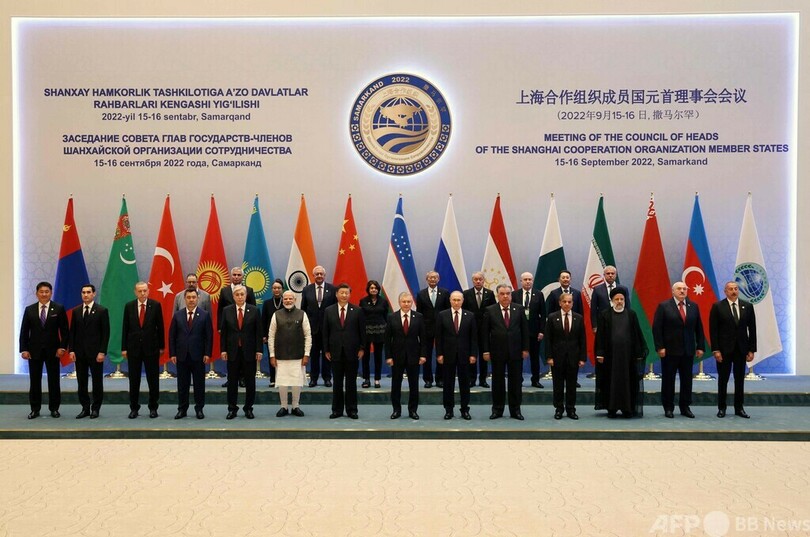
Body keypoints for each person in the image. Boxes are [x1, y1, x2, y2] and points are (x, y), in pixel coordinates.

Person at [652, 281, 705, 419]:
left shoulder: (693, 306)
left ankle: (685, 407)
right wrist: (659, 347)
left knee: (687, 380)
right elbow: (657, 328)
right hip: (669, 351)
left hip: (688, 350)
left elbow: (699, 328)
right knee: (668, 380)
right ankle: (668, 407)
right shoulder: (664, 306)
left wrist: (700, 346)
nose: (682, 291)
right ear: (673, 291)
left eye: (684, 289)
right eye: (679, 289)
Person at [19, 281, 69, 419]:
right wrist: (24, 349)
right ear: (37, 293)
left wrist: (62, 347)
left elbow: (65, 331)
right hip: (34, 351)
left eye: (47, 292)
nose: (44, 294)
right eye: (41, 292)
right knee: (35, 381)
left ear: (51, 293)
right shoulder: (29, 309)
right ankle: (35, 409)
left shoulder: (58, 308)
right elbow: (24, 331)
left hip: (53, 351)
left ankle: (54, 408)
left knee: (54, 381)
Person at [595, 288, 647, 418]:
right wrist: (600, 353)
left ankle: (627, 408)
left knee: (628, 381)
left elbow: (637, 334)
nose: (619, 301)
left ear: (625, 300)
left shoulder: (631, 314)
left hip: (628, 357)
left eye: (622, 299)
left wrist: (639, 353)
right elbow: (600, 336)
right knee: (610, 381)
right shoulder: (605, 315)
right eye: (617, 299)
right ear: (612, 300)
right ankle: (611, 408)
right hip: (610, 356)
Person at [710, 281, 757, 419]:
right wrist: (716, 350)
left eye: (736, 288)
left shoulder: (747, 306)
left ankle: (739, 408)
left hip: (741, 350)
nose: (734, 291)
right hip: (723, 350)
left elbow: (752, 329)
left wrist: (752, 349)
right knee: (723, 380)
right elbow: (713, 330)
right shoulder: (718, 307)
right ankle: (722, 408)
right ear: (725, 291)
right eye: (730, 289)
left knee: (739, 380)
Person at [482, 284, 529, 420]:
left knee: (515, 382)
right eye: (502, 294)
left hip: (516, 351)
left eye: (508, 293)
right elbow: (484, 333)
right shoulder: (490, 310)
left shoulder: (519, 309)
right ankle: (497, 410)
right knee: (497, 382)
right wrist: (486, 351)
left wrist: (525, 348)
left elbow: (525, 330)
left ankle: (516, 410)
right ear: (497, 295)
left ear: (511, 295)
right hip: (497, 352)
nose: (505, 296)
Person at [121, 281, 164, 419]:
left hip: (151, 349)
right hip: (133, 349)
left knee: (153, 380)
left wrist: (161, 346)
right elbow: (125, 328)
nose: (142, 293)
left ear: (148, 291)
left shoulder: (155, 305)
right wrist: (124, 348)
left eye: (145, 290)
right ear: (135, 292)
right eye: (140, 291)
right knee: (134, 380)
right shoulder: (129, 306)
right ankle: (134, 408)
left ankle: (153, 407)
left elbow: (160, 327)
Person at [220, 285, 263, 419]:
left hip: (249, 351)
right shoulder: (227, 311)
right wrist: (223, 350)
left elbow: (258, 332)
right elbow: (224, 333)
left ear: (246, 296)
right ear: (233, 297)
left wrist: (259, 350)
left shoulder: (254, 310)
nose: (239, 297)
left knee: (250, 382)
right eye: (237, 295)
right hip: (232, 351)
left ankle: (248, 408)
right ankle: (232, 409)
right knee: (232, 382)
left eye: (242, 294)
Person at [169, 289, 213, 419]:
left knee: (199, 384)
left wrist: (207, 353)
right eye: (188, 297)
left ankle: (199, 409)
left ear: (198, 298)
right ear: (185, 298)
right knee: (182, 385)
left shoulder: (204, 315)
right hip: (182, 355)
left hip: (198, 356)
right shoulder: (178, 315)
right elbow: (172, 336)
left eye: (194, 297)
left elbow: (209, 336)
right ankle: (182, 409)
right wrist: (173, 353)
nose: (191, 300)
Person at [323, 283, 365, 419]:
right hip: (335, 352)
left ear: (350, 295)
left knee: (351, 382)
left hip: (352, 352)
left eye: (346, 293)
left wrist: (362, 348)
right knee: (337, 383)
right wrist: (326, 349)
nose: (344, 295)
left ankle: (352, 410)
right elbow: (325, 332)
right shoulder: (328, 311)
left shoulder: (357, 311)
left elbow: (362, 332)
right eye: (341, 293)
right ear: (336, 294)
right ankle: (337, 410)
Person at [68, 284, 110, 419]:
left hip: (96, 353)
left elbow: (105, 333)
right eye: (83, 292)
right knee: (82, 382)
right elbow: (72, 332)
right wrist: (71, 350)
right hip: (79, 353)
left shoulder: (102, 311)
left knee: (97, 382)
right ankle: (85, 408)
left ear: (94, 294)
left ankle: (95, 408)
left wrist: (102, 351)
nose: (85, 295)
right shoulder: (76, 311)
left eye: (88, 292)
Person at [436, 290, 478, 420]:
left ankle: (465, 409)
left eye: (458, 300)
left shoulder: (470, 315)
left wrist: (473, 354)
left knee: (464, 384)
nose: (456, 302)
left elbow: (473, 337)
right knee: (448, 384)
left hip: (465, 355)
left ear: (462, 301)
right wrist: (439, 354)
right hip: (447, 355)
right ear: (450, 300)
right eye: (454, 300)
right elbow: (439, 337)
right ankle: (449, 410)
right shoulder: (442, 315)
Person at [384, 292, 427, 420]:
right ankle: (396, 410)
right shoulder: (392, 317)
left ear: (412, 302)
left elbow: (423, 338)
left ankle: (413, 410)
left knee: (414, 385)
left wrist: (423, 355)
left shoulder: (419, 317)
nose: (406, 304)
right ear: (399, 302)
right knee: (396, 385)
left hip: (414, 356)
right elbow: (387, 339)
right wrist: (388, 356)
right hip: (397, 356)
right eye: (404, 302)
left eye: (409, 302)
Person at [268, 290, 311, 417]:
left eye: (290, 298)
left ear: (295, 300)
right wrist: (272, 355)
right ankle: (284, 406)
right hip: (280, 355)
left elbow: (308, 335)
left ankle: (295, 406)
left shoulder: (302, 314)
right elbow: (271, 336)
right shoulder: (276, 315)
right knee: (282, 382)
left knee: (297, 382)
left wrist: (306, 354)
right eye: (285, 299)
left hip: (298, 355)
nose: (288, 301)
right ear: (283, 300)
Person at [545, 293, 586, 419]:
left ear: (573, 303)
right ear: (560, 303)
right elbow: (548, 339)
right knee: (557, 385)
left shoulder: (578, 318)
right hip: (557, 357)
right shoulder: (552, 317)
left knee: (571, 385)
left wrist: (582, 358)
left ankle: (571, 409)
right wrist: (549, 357)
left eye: (569, 302)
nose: (567, 304)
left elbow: (582, 339)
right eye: (564, 302)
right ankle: (559, 409)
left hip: (573, 357)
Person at [218, 266, 255, 388]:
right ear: (231, 276)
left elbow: (253, 310)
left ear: (242, 277)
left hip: (245, 329)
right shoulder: (224, 291)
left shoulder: (249, 290)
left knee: (243, 355)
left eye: (239, 275)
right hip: (230, 329)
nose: (236, 277)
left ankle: (243, 378)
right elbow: (220, 310)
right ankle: (231, 379)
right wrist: (220, 327)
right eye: (234, 275)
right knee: (232, 356)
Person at [300, 265, 336, 387]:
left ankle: (327, 378)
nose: (319, 276)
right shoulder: (306, 289)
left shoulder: (332, 289)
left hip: (328, 328)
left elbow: (335, 308)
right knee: (314, 354)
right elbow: (303, 309)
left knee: (327, 353)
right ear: (313, 276)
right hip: (312, 328)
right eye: (317, 274)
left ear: (324, 275)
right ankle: (313, 378)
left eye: (321, 274)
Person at [415, 270, 450, 388]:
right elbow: (419, 313)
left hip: (442, 328)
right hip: (426, 328)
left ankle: (440, 379)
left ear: (438, 279)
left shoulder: (445, 293)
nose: (433, 279)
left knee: (441, 354)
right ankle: (428, 379)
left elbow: (448, 311)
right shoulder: (421, 294)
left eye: (435, 277)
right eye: (430, 277)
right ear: (427, 280)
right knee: (427, 354)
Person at [512, 272, 546, 388]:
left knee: (534, 358)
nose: (527, 281)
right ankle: (518, 380)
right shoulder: (514, 294)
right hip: (518, 332)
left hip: (534, 332)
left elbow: (543, 314)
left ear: (532, 281)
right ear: (521, 281)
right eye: (525, 279)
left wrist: (542, 331)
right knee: (518, 358)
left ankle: (535, 380)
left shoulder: (539, 294)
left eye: (530, 279)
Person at [462, 271, 496, 387]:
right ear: (472, 281)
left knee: (484, 355)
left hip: (485, 330)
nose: (478, 281)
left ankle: (483, 379)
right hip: (470, 329)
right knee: (472, 355)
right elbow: (464, 311)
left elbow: (493, 310)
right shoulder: (466, 294)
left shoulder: (489, 293)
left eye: (480, 279)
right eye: (475, 279)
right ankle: (472, 379)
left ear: (483, 280)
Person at [359, 280, 389, 388]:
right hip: (366, 332)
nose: (373, 290)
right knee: (365, 357)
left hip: (380, 332)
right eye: (371, 288)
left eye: (375, 288)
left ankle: (377, 379)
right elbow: (361, 317)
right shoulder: (363, 301)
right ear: (368, 289)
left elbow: (386, 317)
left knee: (378, 356)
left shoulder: (383, 301)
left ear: (378, 289)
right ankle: (366, 379)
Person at [261, 278, 286, 387]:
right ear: (272, 289)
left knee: (283, 358)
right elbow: (263, 320)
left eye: (279, 288)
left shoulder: (286, 301)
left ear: (282, 289)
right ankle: (273, 379)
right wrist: (264, 335)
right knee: (272, 357)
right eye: (274, 288)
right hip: (270, 336)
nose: (277, 290)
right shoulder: (267, 303)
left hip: (284, 336)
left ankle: (282, 379)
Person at [589, 266, 629, 333]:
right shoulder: (597, 289)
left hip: (620, 322)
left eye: (612, 273)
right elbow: (593, 310)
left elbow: (627, 307)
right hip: (603, 323)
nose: (610, 275)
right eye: (608, 273)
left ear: (616, 275)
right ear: (604, 275)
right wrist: (594, 326)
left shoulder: (623, 289)